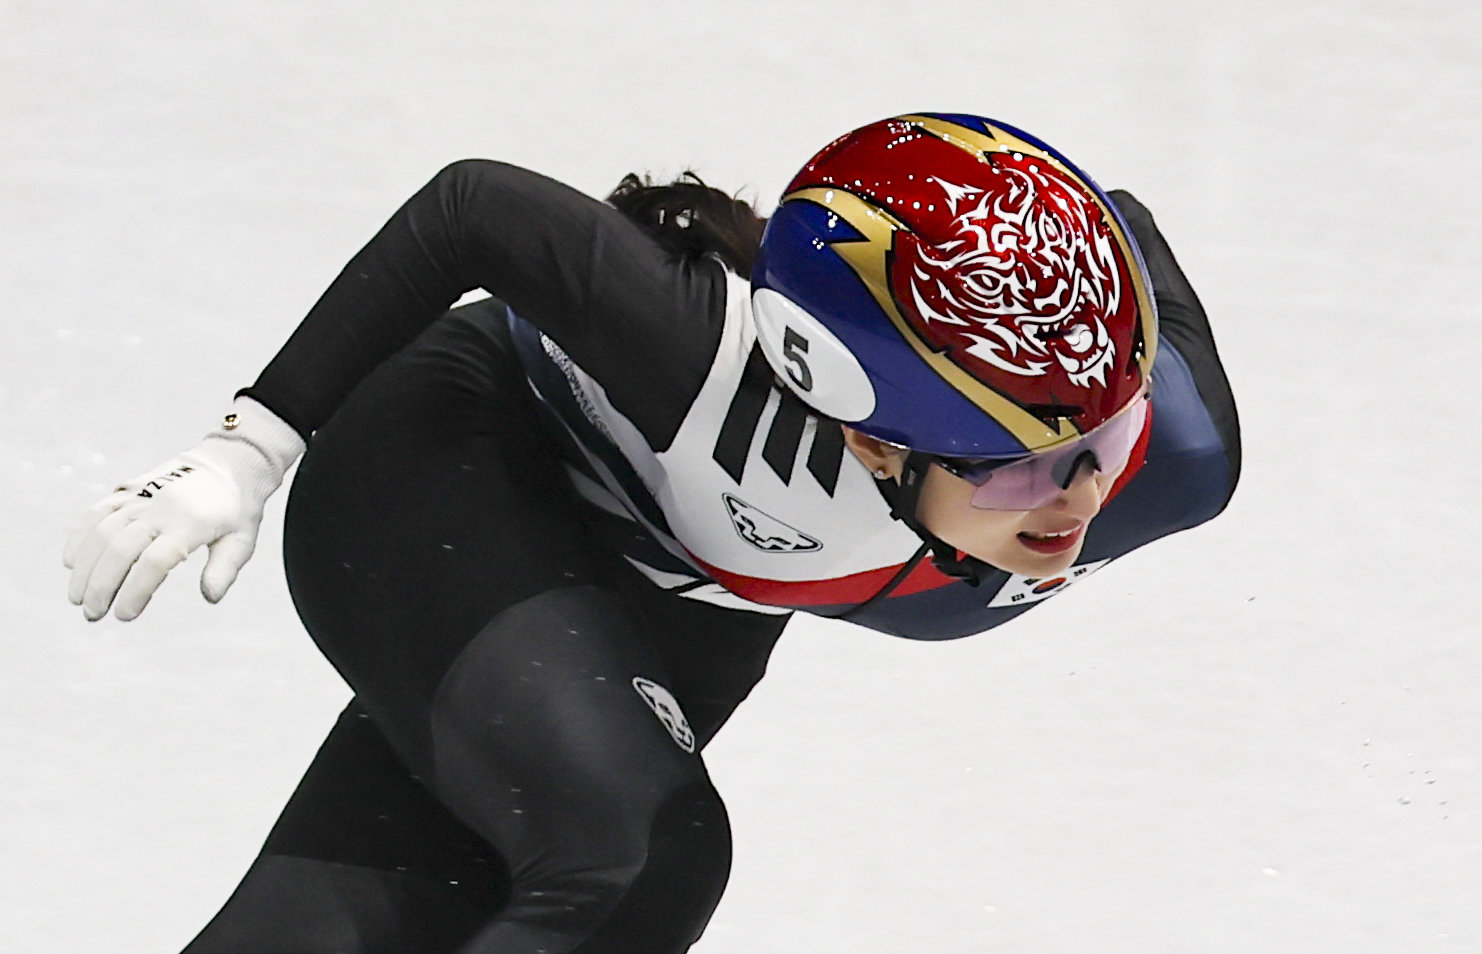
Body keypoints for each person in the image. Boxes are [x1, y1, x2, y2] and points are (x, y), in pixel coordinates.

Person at [63, 113, 1239, 953]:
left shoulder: (1166, 459)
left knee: (402, 909)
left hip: (682, 596)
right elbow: (471, 206)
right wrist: (247, 448)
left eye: (1101, 436)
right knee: (636, 853)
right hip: (455, 470)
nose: (1078, 500)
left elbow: (1114, 220)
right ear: (873, 441)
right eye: (1024, 468)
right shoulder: (702, 364)